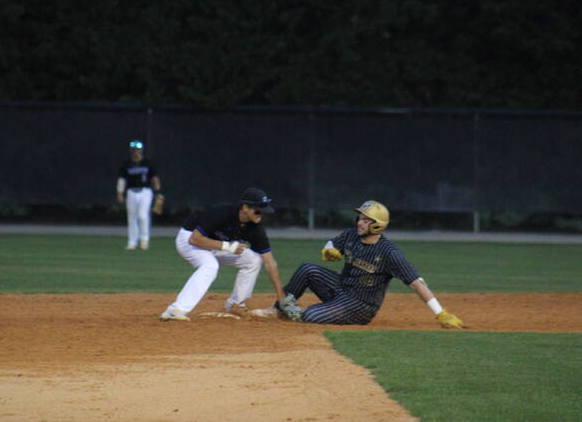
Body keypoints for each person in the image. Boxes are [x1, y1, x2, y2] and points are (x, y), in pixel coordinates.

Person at [251, 200, 464, 328]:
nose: (359, 222)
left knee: (311, 316)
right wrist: (329, 250)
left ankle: (312, 313)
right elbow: (331, 244)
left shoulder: (390, 253)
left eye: (365, 219)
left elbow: (417, 283)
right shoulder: (351, 234)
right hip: (340, 288)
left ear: (377, 225)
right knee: (308, 269)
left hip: (360, 306)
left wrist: (440, 312)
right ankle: (278, 309)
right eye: (359, 218)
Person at [160, 187, 287, 321]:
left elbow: (270, 262)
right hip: (188, 239)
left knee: (254, 260)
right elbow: (195, 239)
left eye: (263, 211)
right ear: (244, 207)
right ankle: (176, 310)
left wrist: (281, 296)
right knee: (210, 265)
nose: (260, 214)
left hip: (215, 245)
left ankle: (235, 304)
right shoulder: (222, 213)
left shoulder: (255, 229)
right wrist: (227, 246)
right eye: (257, 210)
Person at [116, 140, 162, 250]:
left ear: (141, 151)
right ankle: (132, 242)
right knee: (132, 217)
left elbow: (154, 178)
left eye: (138, 150)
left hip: (145, 192)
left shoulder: (147, 163)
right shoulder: (127, 164)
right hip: (131, 192)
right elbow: (122, 180)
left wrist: (158, 193)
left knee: (142, 215)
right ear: (131, 150)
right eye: (134, 150)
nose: (136, 152)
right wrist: (120, 192)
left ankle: (144, 240)